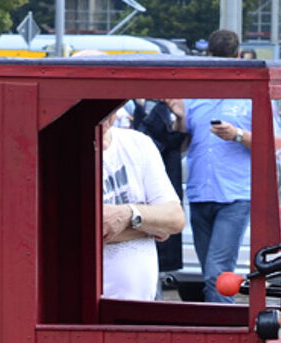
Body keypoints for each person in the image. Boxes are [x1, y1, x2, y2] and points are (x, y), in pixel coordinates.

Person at [181, 29, 251, 302]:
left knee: (217, 274)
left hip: (234, 195)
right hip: (200, 193)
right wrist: (177, 120)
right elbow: (185, 142)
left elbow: (274, 142)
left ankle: (224, 331)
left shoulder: (248, 96)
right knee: (209, 272)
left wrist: (237, 134)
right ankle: (219, 325)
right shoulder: (194, 96)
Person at [99, 107, 184, 300]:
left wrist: (130, 214)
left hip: (140, 304)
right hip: (88, 311)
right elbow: (85, 232)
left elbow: (175, 219)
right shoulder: (59, 152)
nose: (104, 122)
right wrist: (152, 225)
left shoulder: (138, 143)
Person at [130, 98, 186, 273]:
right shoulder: (129, 107)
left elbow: (178, 144)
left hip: (161, 189)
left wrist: (179, 119)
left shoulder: (165, 107)